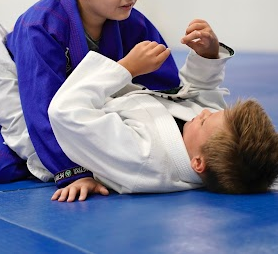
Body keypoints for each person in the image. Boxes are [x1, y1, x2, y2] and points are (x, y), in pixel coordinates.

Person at [0, 0, 181, 189]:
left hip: (65, 105)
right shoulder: (40, 28)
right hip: (12, 92)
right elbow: (40, 109)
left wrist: (207, 58)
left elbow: (167, 85)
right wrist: (73, 172)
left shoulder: (130, 21)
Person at [48, 22, 278, 201]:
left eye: (203, 122)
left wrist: (125, 68)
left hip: (46, 127)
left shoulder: (141, 157)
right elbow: (203, 93)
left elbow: (65, 111)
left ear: (198, 163)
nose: (205, 113)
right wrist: (207, 56)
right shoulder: (211, 140)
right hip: (102, 93)